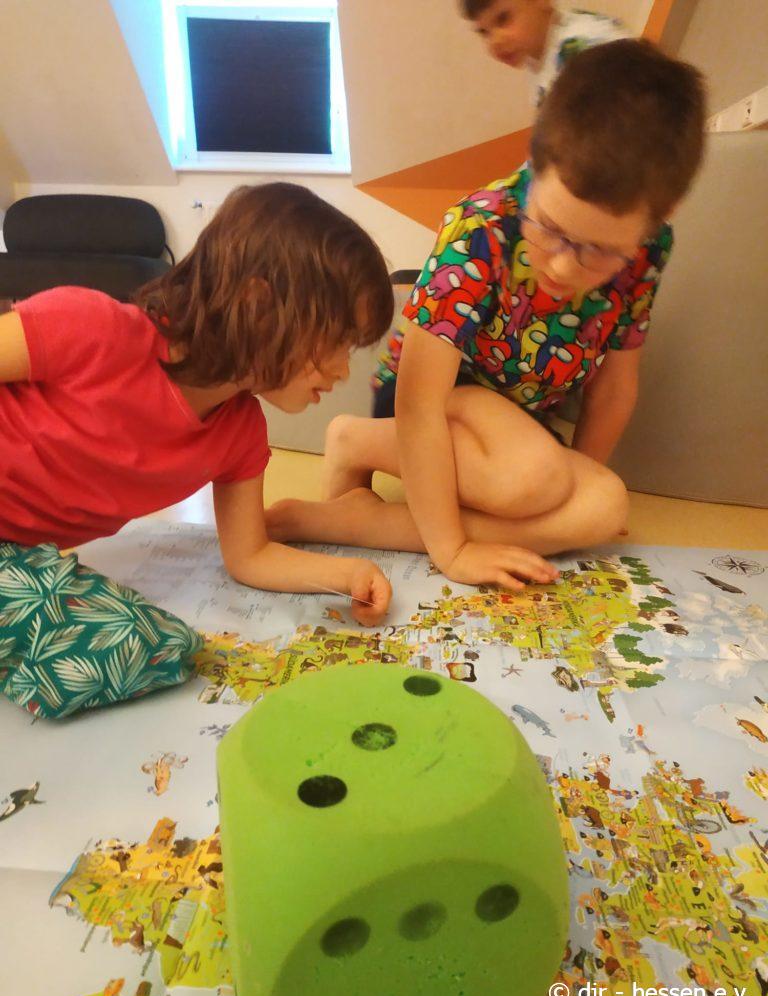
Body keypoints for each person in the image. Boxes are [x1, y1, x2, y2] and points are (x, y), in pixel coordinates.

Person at [264, 41, 707, 593]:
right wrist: (452, 550)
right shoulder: (481, 225)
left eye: (597, 251)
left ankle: (362, 522)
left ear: (659, 217)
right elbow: (419, 401)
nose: (562, 265)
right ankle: (356, 440)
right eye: (549, 228)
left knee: (604, 504)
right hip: (429, 400)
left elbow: (616, 386)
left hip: (518, 430)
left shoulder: (649, 249)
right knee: (533, 477)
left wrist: (574, 489)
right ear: (536, 163)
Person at [0, 183, 394, 719]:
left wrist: (346, 575)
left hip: (19, 554)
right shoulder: (93, 327)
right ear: (259, 305)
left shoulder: (240, 432)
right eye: (338, 341)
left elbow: (250, 555)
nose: (344, 370)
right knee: (126, 647)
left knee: (162, 648)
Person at [463, 0, 628, 106]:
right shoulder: (537, 52)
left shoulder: (581, 52)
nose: (495, 41)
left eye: (503, 18)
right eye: (484, 32)